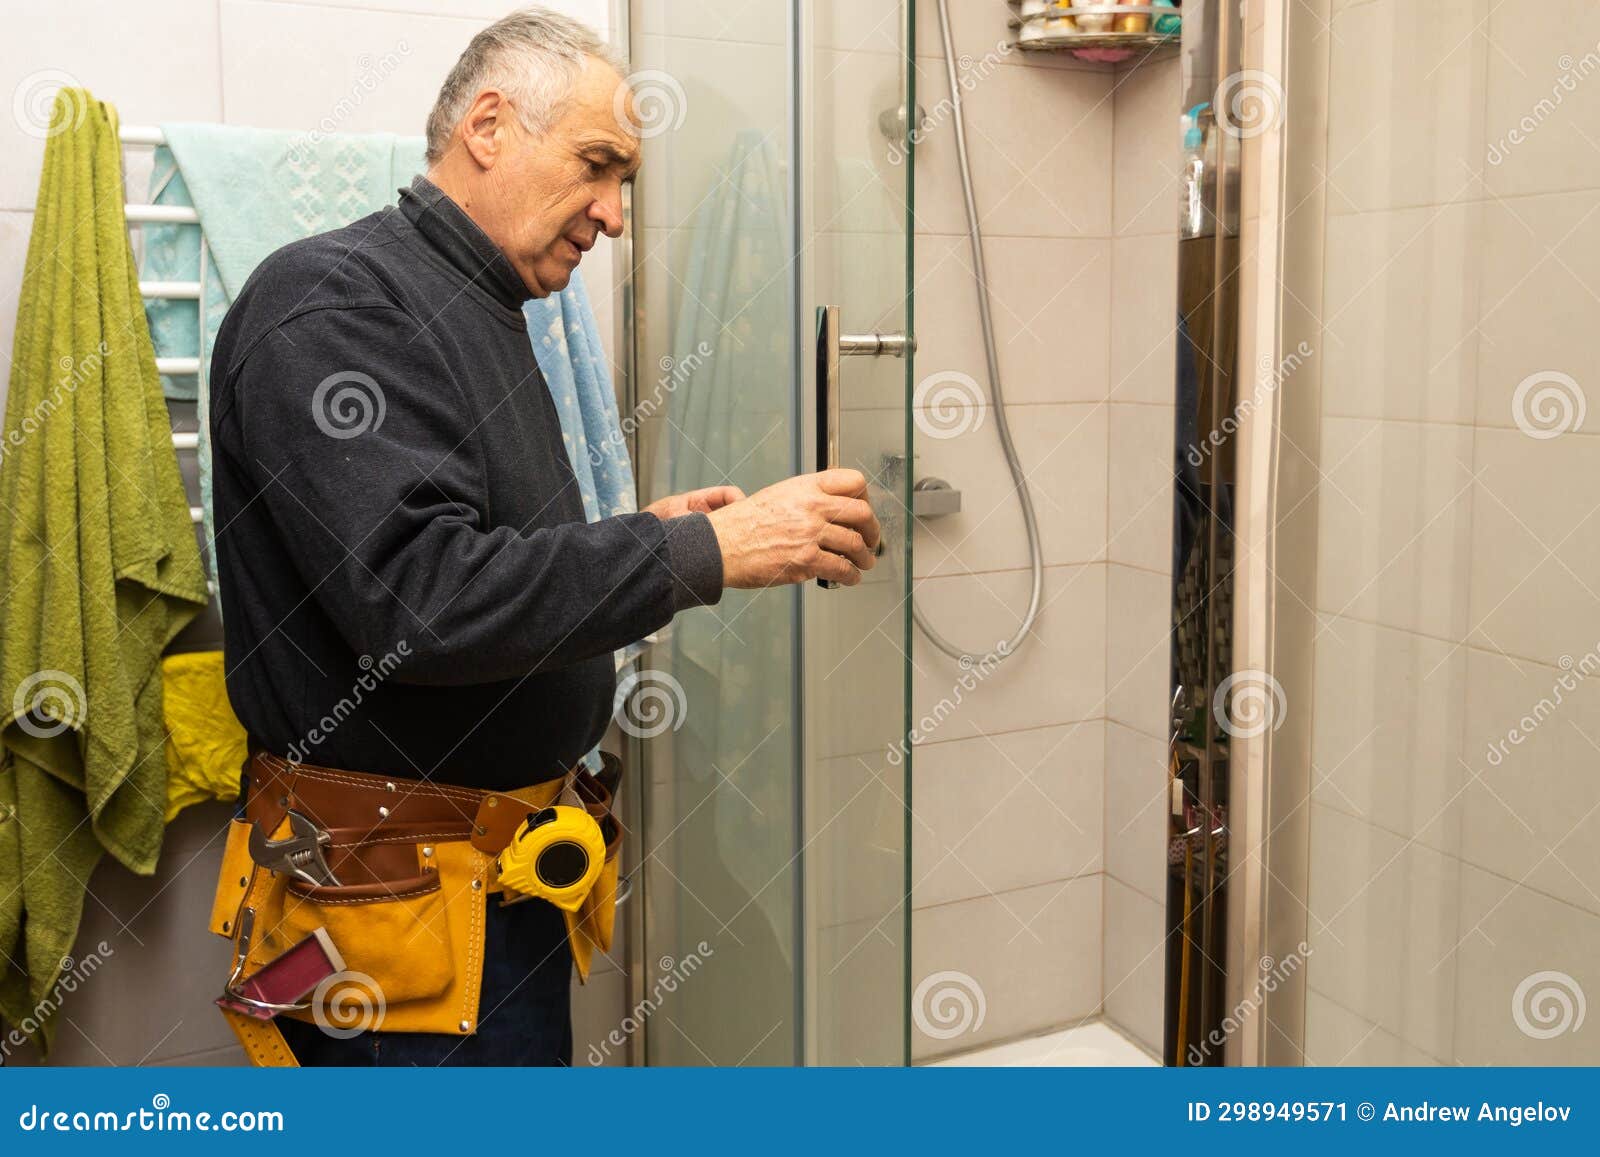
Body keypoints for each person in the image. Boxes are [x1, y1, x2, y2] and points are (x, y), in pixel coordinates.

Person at [208, 6, 879, 1066]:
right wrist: (703, 554)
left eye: (626, 181)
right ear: (487, 126)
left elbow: (474, 546)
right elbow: (423, 603)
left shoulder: (473, 304)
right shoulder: (338, 304)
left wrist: (641, 532)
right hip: (396, 920)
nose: (615, 215)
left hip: (487, 888)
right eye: (597, 165)